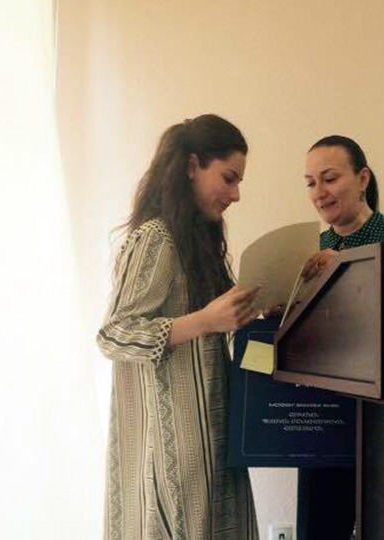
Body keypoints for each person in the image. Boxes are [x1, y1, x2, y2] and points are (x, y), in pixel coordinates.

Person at [97, 114, 261, 540]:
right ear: (192, 165)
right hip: (175, 448)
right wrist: (205, 320)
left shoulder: (198, 239)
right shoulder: (157, 236)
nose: (236, 194)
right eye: (228, 178)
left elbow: (212, 323)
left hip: (212, 439)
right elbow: (114, 334)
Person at [297, 135, 384, 540]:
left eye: (329, 179)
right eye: (310, 183)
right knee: (321, 526)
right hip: (324, 412)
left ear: (363, 179)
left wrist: (343, 267)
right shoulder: (311, 247)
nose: (319, 193)